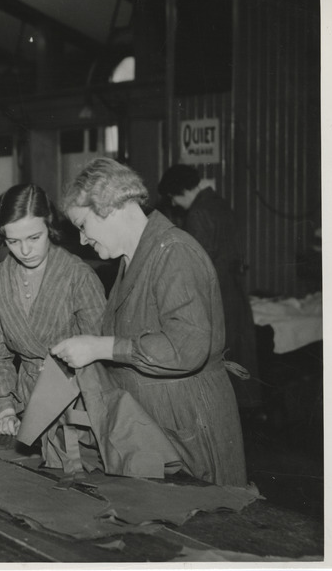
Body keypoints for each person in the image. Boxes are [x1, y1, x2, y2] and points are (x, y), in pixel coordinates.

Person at [52, 158, 247, 487]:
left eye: (83, 226)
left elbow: (186, 348)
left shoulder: (174, 252)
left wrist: (101, 347)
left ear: (114, 208)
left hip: (189, 422)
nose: (83, 240)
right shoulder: (132, 259)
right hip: (161, 422)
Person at [0, 184, 106, 471]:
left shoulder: (78, 276)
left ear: (50, 227)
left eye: (34, 238)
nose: (24, 250)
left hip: (78, 408)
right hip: (26, 409)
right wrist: (6, 409)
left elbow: (101, 359)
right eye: (13, 241)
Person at [157, 164, 261, 409]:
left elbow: (194, 265)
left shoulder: (198, 213)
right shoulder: (219, 203)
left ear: (179, 191)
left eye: (172, 197)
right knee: (239, 352)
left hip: (217, 295)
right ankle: (247, 409)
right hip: (233, 289)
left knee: (219, 359)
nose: (173, 204)